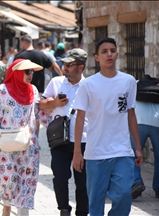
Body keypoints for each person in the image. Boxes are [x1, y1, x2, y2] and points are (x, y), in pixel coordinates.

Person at [72, 37, 143, 215]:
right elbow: (80, 118)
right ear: (96, 57)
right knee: (95, 202)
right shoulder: (88, 84)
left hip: (122, 151)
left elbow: (131, 114)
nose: (109, 54)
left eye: (112, 50)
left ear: (117, 53)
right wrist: (77, 152)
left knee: (124, 194)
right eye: (104, 51)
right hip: (95, 152)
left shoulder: (128, 81)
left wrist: (138, 147)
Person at [0, 59, 43, 216]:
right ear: (16, 72)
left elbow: (38, 113)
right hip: (6, 144)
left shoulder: (34, 90)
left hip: (29, 144)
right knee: (9, 178)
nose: (30, 75)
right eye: (26, 71)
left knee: (27, 179)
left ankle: (23, 213)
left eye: (32, 72)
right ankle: (7, 205)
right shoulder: (3, 90)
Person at [39, 48, 89, 216]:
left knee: (82, 181)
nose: (65, 67)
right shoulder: (56, 83)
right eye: (64, 64)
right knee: (60, 178)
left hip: (83, 141)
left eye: (70, 64)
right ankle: (64, 209)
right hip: (60, 139)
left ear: (81, 67)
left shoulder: (90, 86)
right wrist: (55, 103)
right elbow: (41, 105)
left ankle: (82, 212)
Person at [130, 96, 159, 199]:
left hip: (139, 120)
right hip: (157, 122)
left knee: (133, 155)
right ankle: (158, 187)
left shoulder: (136, 84)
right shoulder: (158, 87)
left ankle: (136, 182)